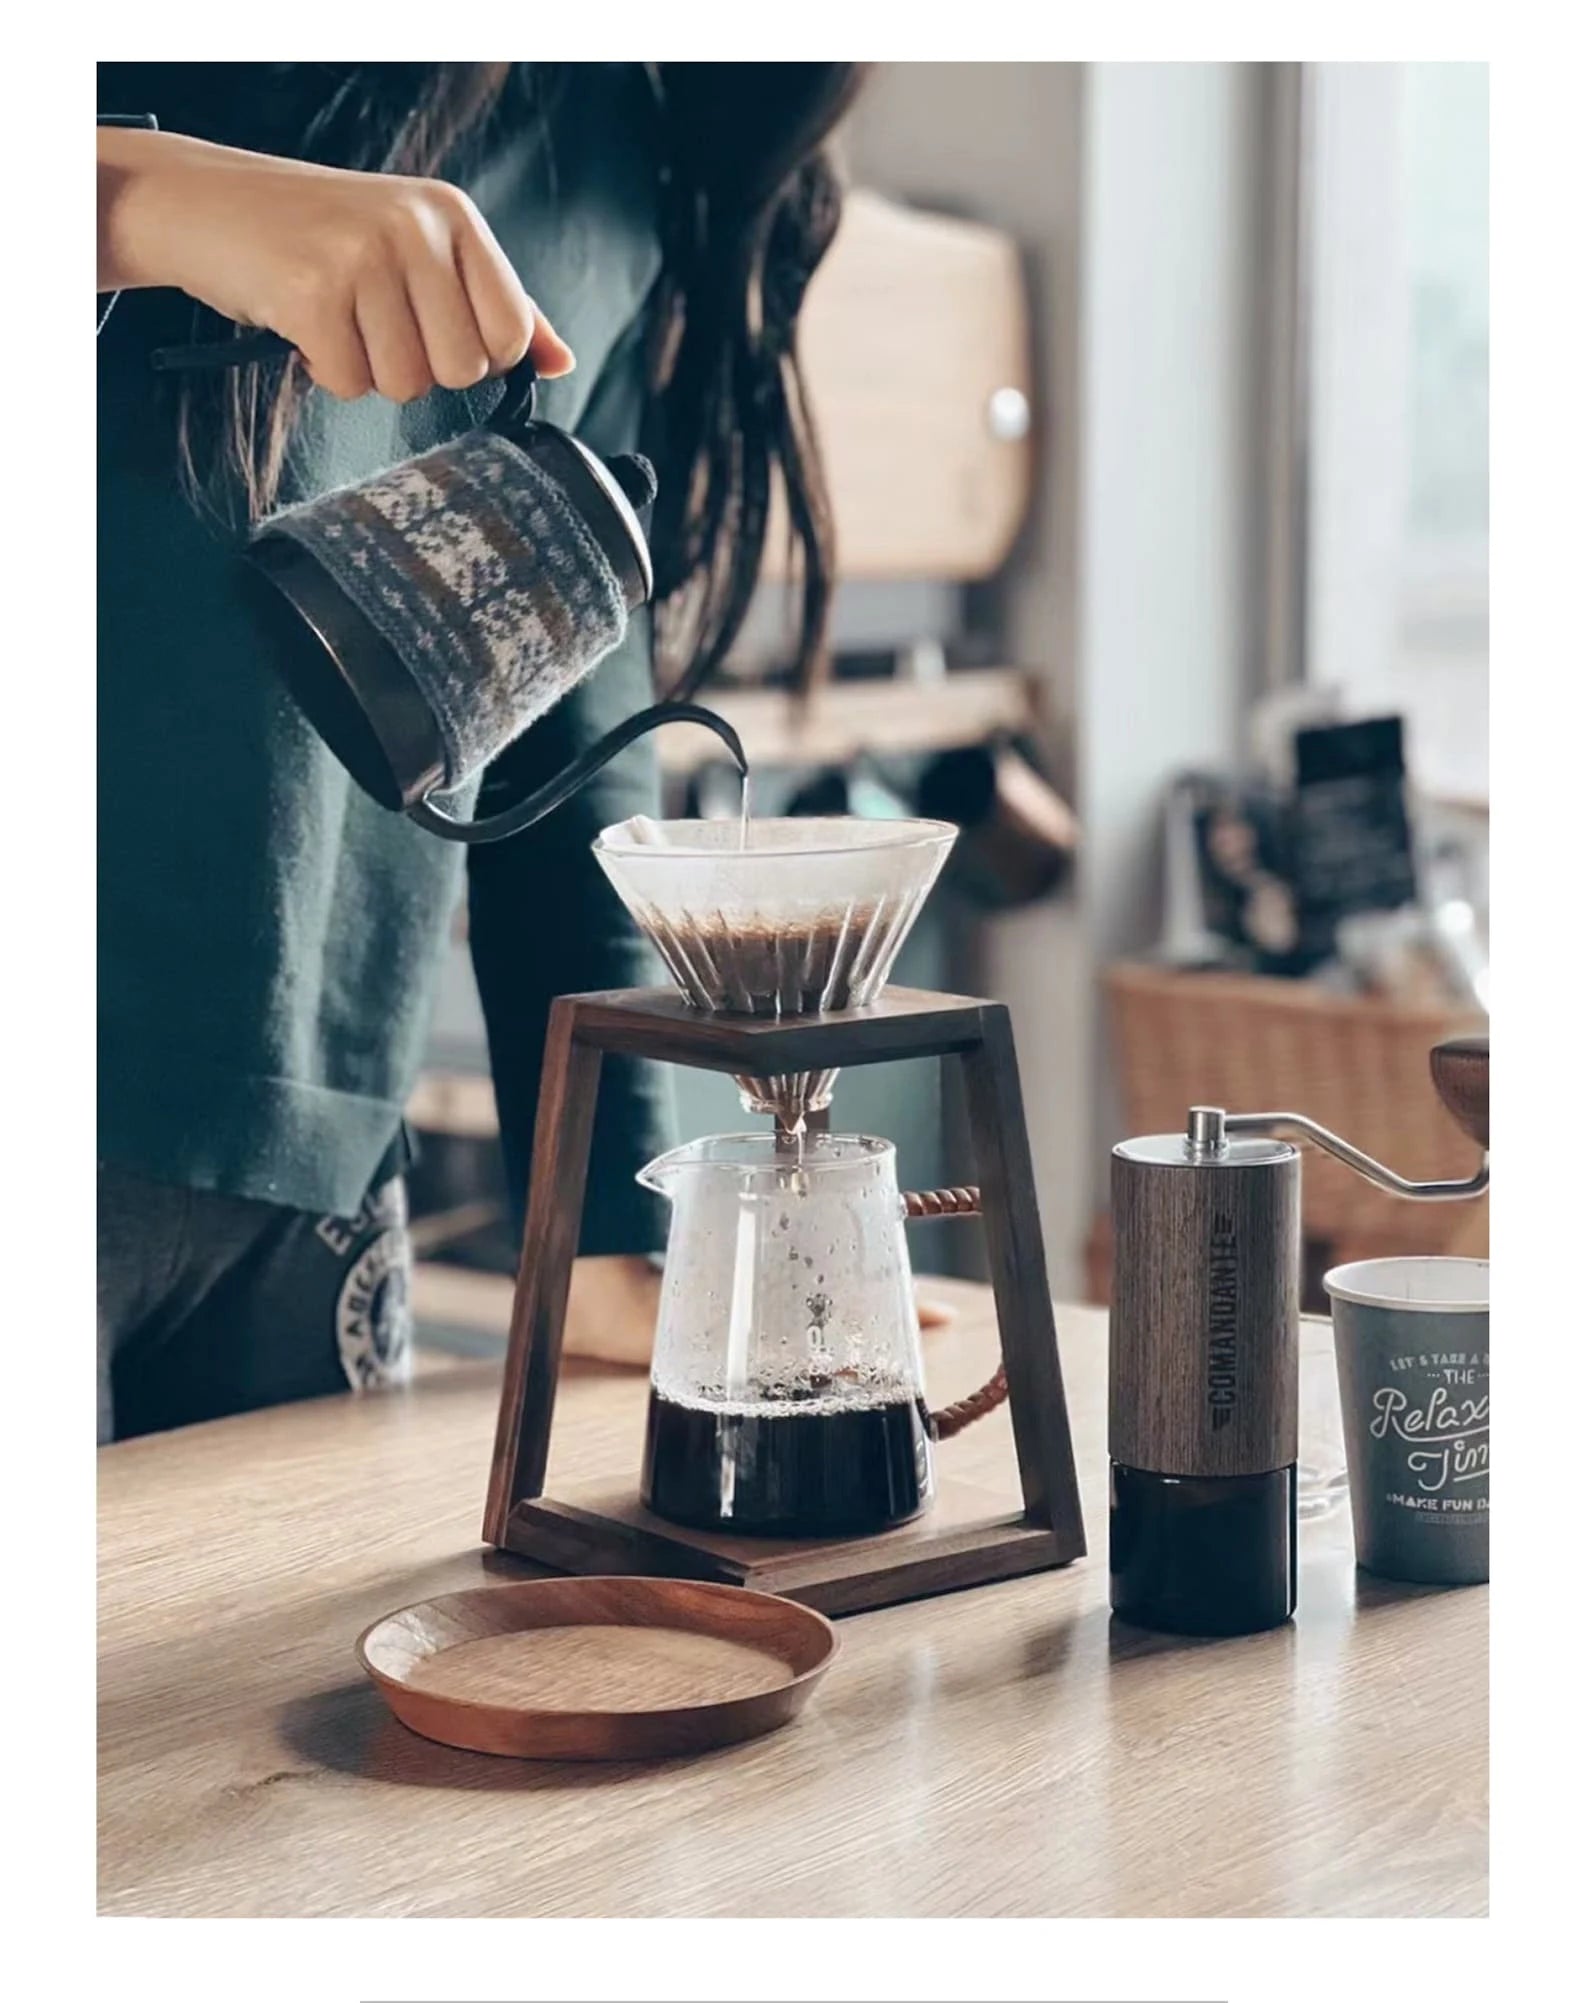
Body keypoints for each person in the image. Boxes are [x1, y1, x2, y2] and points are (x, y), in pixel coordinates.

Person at [96, 62, 861, 1442]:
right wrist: (130, 195)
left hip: (322, 1165)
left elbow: (571, 716)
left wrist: (609, 1228)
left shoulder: (618, 147)